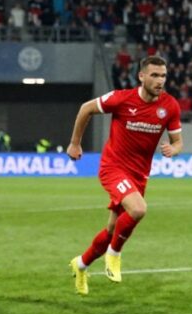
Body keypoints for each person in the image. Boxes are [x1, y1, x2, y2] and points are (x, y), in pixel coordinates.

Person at [66, 56, 182, 295]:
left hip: (139, 175)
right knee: (138, 209)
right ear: (141, 76)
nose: (160, 81)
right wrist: (75, 144)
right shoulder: (122, 98)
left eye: (163, 76)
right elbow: (85, 108)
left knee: (111, 231)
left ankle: (80, 265)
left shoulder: (169, 106)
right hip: (113, 167)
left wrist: (174, 149)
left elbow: (178, 141)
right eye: (154, 75)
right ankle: (114, 255)